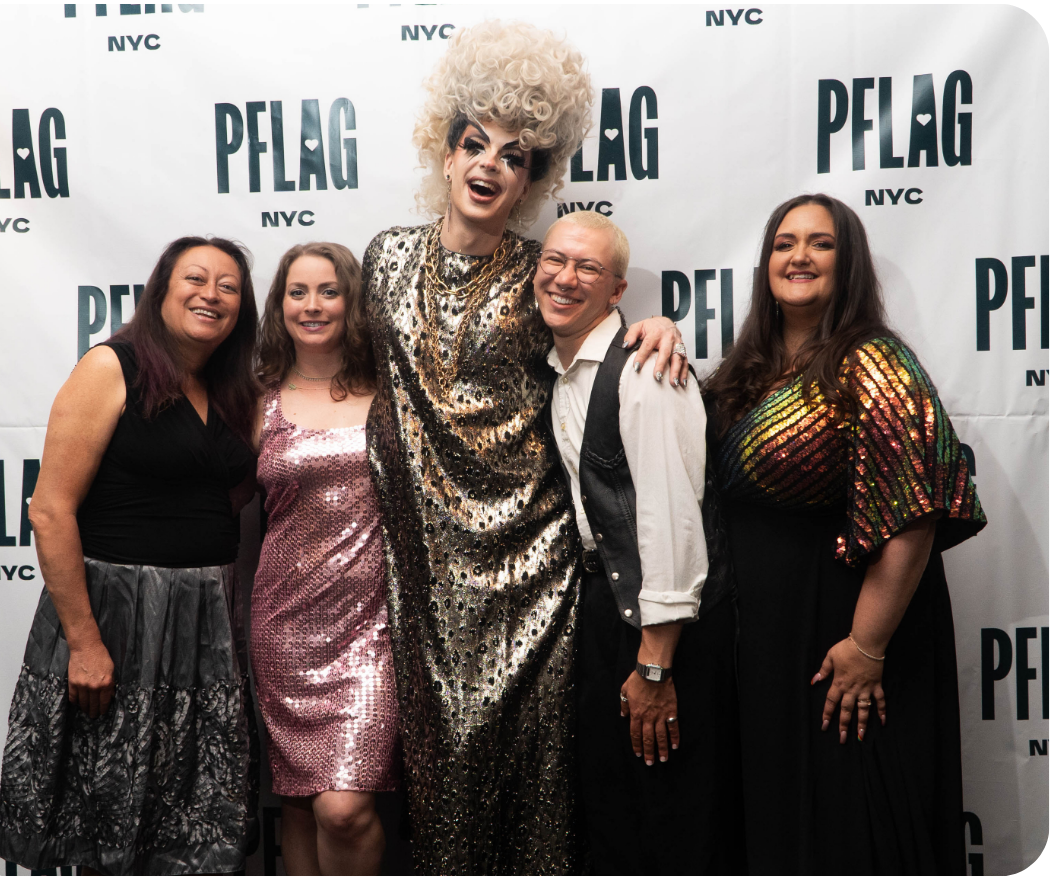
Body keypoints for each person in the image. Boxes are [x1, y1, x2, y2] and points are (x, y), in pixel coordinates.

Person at [362, 21, 687, 875]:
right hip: (423, 575)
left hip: (531, 573)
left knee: (539, 787)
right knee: (440, 787)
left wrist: (658, 324)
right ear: (444, 151)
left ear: (531, 181)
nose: (489, 164)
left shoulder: (544, 271)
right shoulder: (383, 258)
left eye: (514, 156)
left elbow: (607, 339)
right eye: (475, 143)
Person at [704, 194, 986, 874]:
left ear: (847, 261)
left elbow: (913, 515)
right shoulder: (747, 369)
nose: (797, 255)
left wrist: (866, 646)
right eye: (783, 242)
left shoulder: (874, 360)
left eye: (819, 243)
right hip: (767, 640)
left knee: (848, 824)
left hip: (842, 638)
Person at [0, 236, 262, 875]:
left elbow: (231, 488)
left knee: (192, 826)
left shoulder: (232, 389)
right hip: (115, 621)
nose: (212, 294)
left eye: (229, 287)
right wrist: (84, 643)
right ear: (160, 292)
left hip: (204, 625)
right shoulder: (111, 368)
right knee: (106, 821)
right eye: (195, 279)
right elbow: (50, 509)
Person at [533, 211, 743, 875]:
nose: (565, 277)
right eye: (555, 260)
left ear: (617, 291)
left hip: (665, 626)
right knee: (616, 815)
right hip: (605, 609)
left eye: (587, 268)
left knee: (671, 817)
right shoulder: (557, 369)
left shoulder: (645, 370)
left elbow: (675, 520)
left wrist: (656, 663)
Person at [250, 242, 396, 877]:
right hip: (283, 626)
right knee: (299, 805)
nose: (312, 305)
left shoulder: (391, 390)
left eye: (329, 291)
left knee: (343, 808)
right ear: (279, 305)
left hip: (372, 627)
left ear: (352, 301)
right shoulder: (258, 398)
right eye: (297, 292)